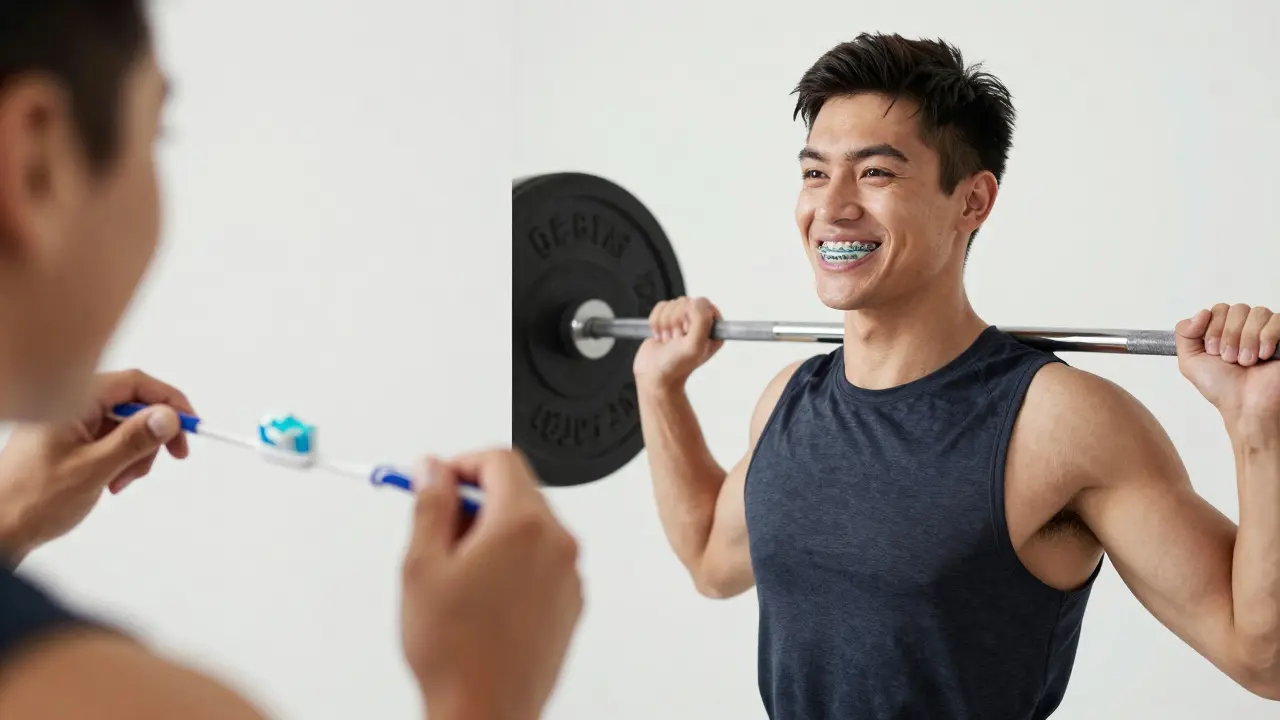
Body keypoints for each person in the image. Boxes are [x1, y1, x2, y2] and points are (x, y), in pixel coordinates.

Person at [635, 32, 1280, 719]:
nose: (833, 206)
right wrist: (658, 387)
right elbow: (710, 559)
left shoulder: (1060, 421)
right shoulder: (789, 400)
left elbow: (1261, 659)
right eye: (815, 172)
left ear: (972, 202)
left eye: (876, 173)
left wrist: (1258, 429)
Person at [0, 2, 582, 719]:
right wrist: (482, 695)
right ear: (35, 165)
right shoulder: (109, 700)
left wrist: (7, 522)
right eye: (158, 133)